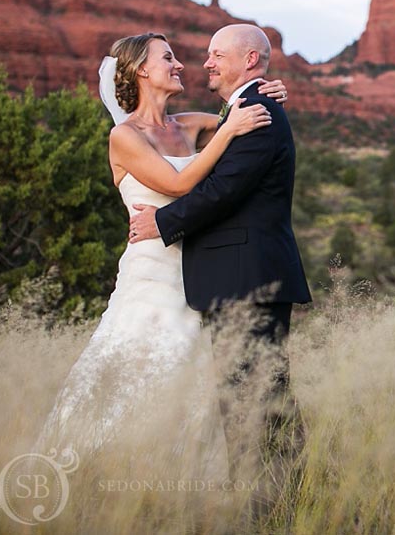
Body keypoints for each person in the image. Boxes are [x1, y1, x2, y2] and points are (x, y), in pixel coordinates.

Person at [35, 32, 290, 482]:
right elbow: (179, 185)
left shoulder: (189, 124)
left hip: (195, 276)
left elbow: (242, 116)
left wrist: (271, 90)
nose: (181, 65)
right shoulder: (124, 136)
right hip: (150, 274)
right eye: (167, 58)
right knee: (136, 378)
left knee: (195, 386)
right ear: (141, 71)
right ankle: (100, 479)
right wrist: (228, 129)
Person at [127, 24, 312, 486]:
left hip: (248, 279)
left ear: (249, 60)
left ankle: (273, 505)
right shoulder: (233, 113)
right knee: (251, 397)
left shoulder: (257, 111)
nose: (204, 63)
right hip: (227, 278)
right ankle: (271, 498)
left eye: (216, 54)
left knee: (258, 399)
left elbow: (224, 190)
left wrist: (162, 223)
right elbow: (212, 171)